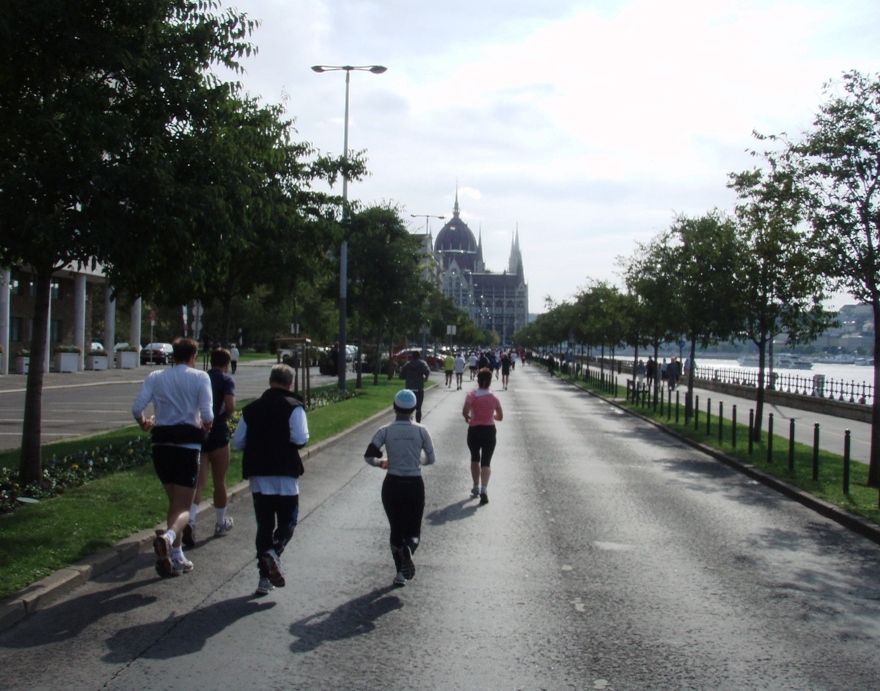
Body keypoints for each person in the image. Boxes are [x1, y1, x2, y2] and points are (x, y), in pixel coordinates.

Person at [132, 337, 213, 578]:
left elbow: (137, 408)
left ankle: (176, 556)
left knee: (174, 504)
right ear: (192, 357)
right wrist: (206, 426)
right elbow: (207, 414)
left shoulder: (156, 377)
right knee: (184, 508)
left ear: (173, 355)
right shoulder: (200, 377)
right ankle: (167, 538)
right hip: (186, 445)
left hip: (162, 445)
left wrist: (144, 423)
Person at [232, 364, 309, 596]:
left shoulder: (251, 408)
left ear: (270, 381)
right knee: (288, 520)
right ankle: (274, 552)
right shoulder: (294, 407)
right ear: (290, 383)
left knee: (264, 524)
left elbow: (237, 442)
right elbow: (301, 438)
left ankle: (263, 578)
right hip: (284, 471)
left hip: (258, 473)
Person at [363, 389, 436, 587]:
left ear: (394, 407)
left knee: (396, 528)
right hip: (414, 484)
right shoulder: (421, 431)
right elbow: (431, 458)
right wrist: (416, 460)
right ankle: (409, 548)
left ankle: (399, 573)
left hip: (392, 484)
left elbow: (369, 457)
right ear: (414, 409)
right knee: (413, 530)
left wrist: (382, 463)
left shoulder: (385, 431)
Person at [184, 348, 235, 548]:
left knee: (200, 481)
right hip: (218, 432)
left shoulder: (200, 377)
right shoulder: (226, 380)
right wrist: (226, 416)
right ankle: (220, 522)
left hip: (200, 431)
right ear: (227, 363)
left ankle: (191, 520)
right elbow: (230, 406)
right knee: (220, 480)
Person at [462, 367, 503, 505]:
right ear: (490, 381)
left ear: (478, 380)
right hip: (489, 430)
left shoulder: (471, 395)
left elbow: (465, 411)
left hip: (474, 430)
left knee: (475, 458)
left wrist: (468, 418)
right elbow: (500, 416)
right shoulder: (494, 397)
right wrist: (491, 416)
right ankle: (484, 488)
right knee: (486, 461)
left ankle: (475, 486)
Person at [399, 350, 430, 423]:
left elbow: (401, 376)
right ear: (419, 356)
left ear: (412, 356)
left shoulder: (407, 364)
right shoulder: (422, 364)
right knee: (418, 408)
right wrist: (426, 378)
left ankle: (410, 421)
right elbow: (427, 371)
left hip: (409, 388)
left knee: (409, 407)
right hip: (419, 388)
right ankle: (418, 422)